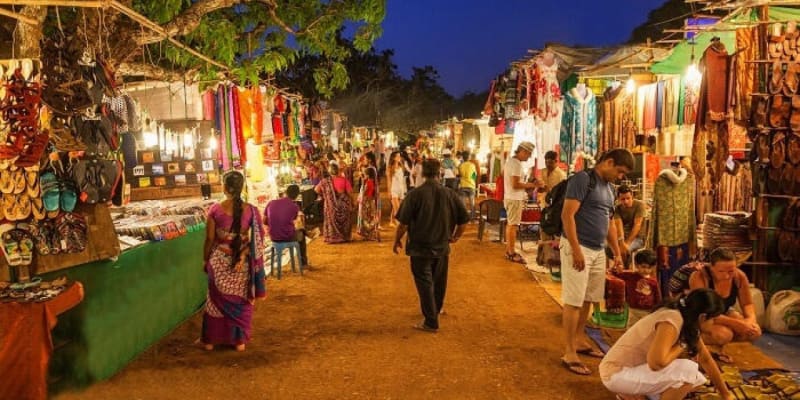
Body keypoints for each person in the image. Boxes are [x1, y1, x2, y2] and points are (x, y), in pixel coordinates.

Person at [560, 148, 634, 375]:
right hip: (578, 247)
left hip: (597, 249)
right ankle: (569, 350)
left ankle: (580, 339)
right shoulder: (583, 179)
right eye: (620, 171)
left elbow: (609, 222)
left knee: (589, 299)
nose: (620, 177)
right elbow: (567, 215)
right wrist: (575, 250)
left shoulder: (610, 189)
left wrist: (616, 251)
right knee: (573, 300)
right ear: (608, 162)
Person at [599, 288, 732, 400]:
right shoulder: (672, 319)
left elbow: (706, 359)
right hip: (615, 374)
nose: (714, 323)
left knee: (697, 379)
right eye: (714, 319)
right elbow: (656, 363)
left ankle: (632, 393)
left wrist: (725, 394)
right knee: (688, 370)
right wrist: (682, 344)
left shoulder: (687, 320)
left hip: (627, 370)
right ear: (702, 317)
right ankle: (629, 392)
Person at [393, 159, 469, 333]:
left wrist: (397, 240)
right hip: (441, 246)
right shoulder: (450, 194)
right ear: (439, 173)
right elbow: (464, 220)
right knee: (438, 281)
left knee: (425, 283)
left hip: (419, 248)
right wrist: (455, 236)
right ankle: (435, 310)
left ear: (422, 173)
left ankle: (430, 321)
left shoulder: (414, 194)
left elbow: (403, 224)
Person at [200, 171, 266, 352]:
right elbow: (258, 240)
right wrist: (244, 253)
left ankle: (210, 342)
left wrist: (206, 260)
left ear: (225, 187)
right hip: (241, 264)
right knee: (241, 300)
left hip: (219, 261)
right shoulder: (252, 211)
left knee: (213, 303)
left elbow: (209, 240)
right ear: (241, 187)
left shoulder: (215, 210)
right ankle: (239, 342)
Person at [688, 248, 762, 363]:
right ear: (712, 267)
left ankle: (722, 350)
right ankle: (687, 340)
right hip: (701, 315)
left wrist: (750, 321)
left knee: (752, 332)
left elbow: (747, 303)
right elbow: (706, 311)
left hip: (723, 312)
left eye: (731, 271)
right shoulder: (699, 277)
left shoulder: (739, 277)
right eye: (721, 271)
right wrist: (738, 324)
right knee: (724, 334)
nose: (727, 276)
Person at [503, 141, 541, 264]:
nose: (529, 157)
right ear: (523, 151)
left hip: (510, 197)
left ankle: (509, 250)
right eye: (528, 154)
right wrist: (532, 184)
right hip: (514, 198)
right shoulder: (516, 164)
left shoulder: (510, 162)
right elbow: (515, 184)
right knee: (513, 226)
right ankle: (511, 252)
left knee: (510, 225)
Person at [605, 249, 660, 327]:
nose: (646, 270)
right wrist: (617, 266)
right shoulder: (630, 276)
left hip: (648, 312)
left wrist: (657, 310)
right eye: (643, 267)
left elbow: (657, 297)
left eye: (649, 268)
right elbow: (614, 272)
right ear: (637, 265)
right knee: (631, 331)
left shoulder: (654, 281)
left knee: (646, 330)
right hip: (633, 311)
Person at [264, 184, 310, 269]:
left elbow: (265, 221)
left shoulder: (271, 202)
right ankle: (303, 263)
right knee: (302, 235)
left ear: (286, 192)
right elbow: (294, 220)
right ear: (297, 195)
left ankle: (306, 233)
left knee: (299, 231)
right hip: (287, 236)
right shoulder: (294, 207)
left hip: (273, 237)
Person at [536, 150, 567, 269]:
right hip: (544, 205)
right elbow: (539, 190)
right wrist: (540, 188)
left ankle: (555, 259)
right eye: (546, 162)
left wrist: (549, 191)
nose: (548, 164)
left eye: (550, 162)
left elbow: (561, 193)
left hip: (556, 208)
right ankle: (545, 257)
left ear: (556, 161)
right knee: (544, 229)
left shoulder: (561, 175)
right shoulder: (543, 172)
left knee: (554, 231)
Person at [315, 164, 353, 243]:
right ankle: (344, 237)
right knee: (345, 221)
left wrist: (326, 196)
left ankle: (333, 237)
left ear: (329, 171)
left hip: (330, 206)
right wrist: (352, 202)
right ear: (338, 170)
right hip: (343, 206)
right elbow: (350, 193)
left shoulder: (325, 181)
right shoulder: (344, 180)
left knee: (331, 218)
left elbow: (316, 190)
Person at [611, 185, 646, 264]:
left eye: (628, 198)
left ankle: (624, 269)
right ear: (619, 199)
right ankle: (619, 267)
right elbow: (618, 225)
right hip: (622, 238)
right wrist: (621, 243)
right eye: (623, 199)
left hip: (637, 238)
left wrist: (627, 244)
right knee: (608, 247)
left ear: (632, 196)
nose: (626, 201)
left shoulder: (639, 205)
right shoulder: (617, 208)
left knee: (625, 250)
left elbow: (637, 225)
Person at [357, 165, 380, 241]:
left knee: (366, 218)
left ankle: (370, 234)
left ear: (368, 175)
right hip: (371, 201)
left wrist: (363, 184)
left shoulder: (369, 182)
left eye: (365, 174)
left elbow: (364, 192)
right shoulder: (373, 182)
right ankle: (370, 234)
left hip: (366, 202)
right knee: (370, 217)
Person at [387, 151, 407, 227]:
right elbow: (389, 180)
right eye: (397, 156)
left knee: (398, 207)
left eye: (399, 156)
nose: (399, 157)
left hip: (401, 189)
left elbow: (402, 179)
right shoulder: (390, 167)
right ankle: (399, 225)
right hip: (394, 189)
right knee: (398, 209)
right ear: (393, 158)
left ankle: (391, 221)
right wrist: (389, 191)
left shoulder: (401, 165)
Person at [457, 152, 478, 220]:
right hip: (471, 185)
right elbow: (474, 175)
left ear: (462, 157)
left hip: (463, 185)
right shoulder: (472, 165)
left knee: (463, 203)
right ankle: (472, 216)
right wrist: (472, 180)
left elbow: (459, 175)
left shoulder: (460, 165)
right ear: (469, 157)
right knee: (472, 203)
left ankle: (464, 217)